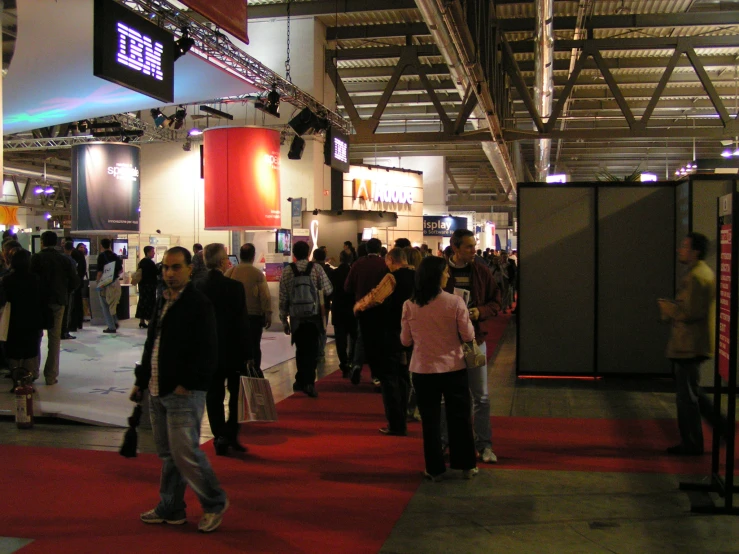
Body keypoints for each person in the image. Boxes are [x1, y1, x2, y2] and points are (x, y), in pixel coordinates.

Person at [130, 246, 228, 533]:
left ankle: (214, 502)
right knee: (169, 454)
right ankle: (171, 507)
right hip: (158, 388)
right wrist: (141, 380)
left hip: (183, 391)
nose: (169, 273)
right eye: (166, 268)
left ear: (189, 269)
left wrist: (190, 383)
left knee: (185, 453)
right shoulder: (163, 301)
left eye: (176, 267)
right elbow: (152, 344)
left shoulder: (198, 303)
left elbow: (209, 349)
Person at [400, 256, 478, 481]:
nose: (448, 275)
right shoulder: (455, 302)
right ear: (436, 276)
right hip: (454, 367)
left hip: (423, 370)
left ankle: (434, 468)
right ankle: (466, 465)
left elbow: (405, 341)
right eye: (445, 272)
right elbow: (468, 335)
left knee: (430, 422)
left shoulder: (409, 305)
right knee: (460, 418)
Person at [442, 228, 501, 464]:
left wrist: (480, 312)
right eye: (468, 247)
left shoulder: (481, 271)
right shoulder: (441, 273)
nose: (473, 250)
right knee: (447, 397)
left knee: (481, 397)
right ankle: (444, 442)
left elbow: (496, 300)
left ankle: (484, 445)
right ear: (455, 248)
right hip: (446, 344)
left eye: (474, 246)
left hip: (475, 342)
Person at [658, 232, 716, 456]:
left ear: (695, 252)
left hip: (689, 345)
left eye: (684, 246)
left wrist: (669, 309)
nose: (680, 250)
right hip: (692, 343)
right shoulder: (699, 273)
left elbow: (690, 311)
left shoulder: (696, 277)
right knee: (693, 391)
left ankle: (691, 444)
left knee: (687, 398)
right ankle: (721, 426)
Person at [196, 243, 251, 456]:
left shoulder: (197, 287)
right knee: (237, 395)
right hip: (233, 350)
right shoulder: (235, 287)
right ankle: (231, 433)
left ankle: (219, 435)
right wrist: (248, 353)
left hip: (208, 351)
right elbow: (242, 323)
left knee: (213, 395)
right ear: (222, 262)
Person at [354, 247, 415, 435]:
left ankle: (396, 424)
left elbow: (376, 298)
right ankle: (405, 415)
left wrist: (358, 306)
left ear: (390, 259)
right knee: (405, 377)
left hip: (391, 333)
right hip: (412, 333)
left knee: (390, 378)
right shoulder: (417, 275)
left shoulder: (392, 278)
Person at [279, 240, 333, 398]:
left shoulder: (287, 271)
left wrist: (284, 320)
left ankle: (300, 379)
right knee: (312, 349)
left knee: (301, 349)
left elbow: (283, 298)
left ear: (294, 254)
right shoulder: (316, 269)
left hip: (296, 317)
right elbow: (329, 289)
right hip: (313, 316)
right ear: (308, 253)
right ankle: (309, 381)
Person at [30, 231, 79, 385]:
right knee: (54, 338)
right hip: (58, 301)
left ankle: (33, 372)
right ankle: (51, 376)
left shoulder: (36, 258)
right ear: (56, 243)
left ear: (42, 242)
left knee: (36, 337)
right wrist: (65, 292)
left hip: (38, 302)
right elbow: (75, 281)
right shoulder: (63, 259)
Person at [344, 238, 388, 386]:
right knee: (379, 340)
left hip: (362, 307)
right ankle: (376, 374)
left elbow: (347, 287)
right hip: (380, 307)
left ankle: (357, 365)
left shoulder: (358, 264)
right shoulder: (384, 264)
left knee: (361, 338)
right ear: (380, 248)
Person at [226, 243, 272, 375]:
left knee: (236, 346)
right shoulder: (257, 274)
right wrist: (268, 313)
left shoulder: (230, 272)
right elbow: (265, 296)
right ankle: (254, 370)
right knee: (254, 345)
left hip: (234, 316)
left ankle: (238, 372)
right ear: (253, 256)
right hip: (254, 316)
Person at [1, 249, 43, 383]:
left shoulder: (7, 280)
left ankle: (15, 376)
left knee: (14, 348)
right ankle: (28, 378)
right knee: (30, 348)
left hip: (13, 319)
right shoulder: (35, 279)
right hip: (31, 318)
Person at [329, 250, 356, 378]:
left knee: (340, 340)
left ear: (340, 259)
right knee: (354, 338)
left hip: (338, 310)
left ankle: (344, 364)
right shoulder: (354, 273)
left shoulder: (334, 273)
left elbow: (328, 291)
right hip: (352, 310)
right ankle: (352, 362)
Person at [96, 239, 123, 334]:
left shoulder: (101, 256)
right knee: (112, 304)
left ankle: (111, 327)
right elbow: (120, 270)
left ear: (101, 246)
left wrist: (98, 283)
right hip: (115, 282)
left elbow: (99, 272)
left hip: (105, 283)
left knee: (105, 306)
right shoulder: (116, 256)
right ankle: (114, 321)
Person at [312, 248, 333, 361]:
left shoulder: (308, 269)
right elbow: (329, 289)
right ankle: (320, 351)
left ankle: (312, 350)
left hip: (308, 304)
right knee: (322, 327)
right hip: (323, 304)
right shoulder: (327, 269)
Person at [135, 246, 158, 329]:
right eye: (152, 251)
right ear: (148, 252)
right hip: (149, 286)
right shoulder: (149, 262)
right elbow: (156, 272)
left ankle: (142, 321)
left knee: (142, 301)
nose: (154, 253)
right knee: (149, 302)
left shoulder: (142, 262)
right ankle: (149, 320)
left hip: (142, 285)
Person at [60, 241, 78, 340]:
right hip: (68, 289)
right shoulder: (71, 261)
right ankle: (65, 332)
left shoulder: (60, 259)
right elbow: (73, 276)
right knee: (67, 311)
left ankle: (61, 331)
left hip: (60, 288)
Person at [69, 241, 87, 332]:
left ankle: (74, 324)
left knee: (75, 304)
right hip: (78, 283)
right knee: (77, 303)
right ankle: (78, 323)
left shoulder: (76, 256)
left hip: (76, 283)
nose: (82, 249)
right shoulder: (81, 257)